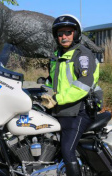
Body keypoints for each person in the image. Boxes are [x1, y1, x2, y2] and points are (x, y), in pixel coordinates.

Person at [42, 14, 101, 176]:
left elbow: (83, 84)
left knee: (67, 151)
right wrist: (39, 92)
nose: (64, 36)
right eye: (60, 34)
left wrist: (57, 99)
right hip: (62, 110)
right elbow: (53, 82)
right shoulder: (57, 56)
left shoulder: (82, 55)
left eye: (68, 32)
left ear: (76, 34)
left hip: (80, 110)